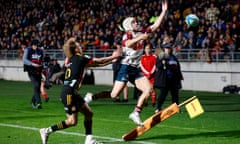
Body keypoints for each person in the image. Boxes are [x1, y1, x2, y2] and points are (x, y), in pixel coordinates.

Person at [84, 0, 168, 125]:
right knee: (114, 94)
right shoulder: (127, 35)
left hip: (135, 68)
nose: (137, 22)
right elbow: (128, 44)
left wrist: (163, 11)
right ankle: (92, 96)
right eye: (134, 22)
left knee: (148, 89)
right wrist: (140, 38)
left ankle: (136, 113)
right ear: (129, 25)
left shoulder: (141, 32)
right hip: (126, 67)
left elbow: (155, 25)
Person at [39, 37, 119, 144]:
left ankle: (89, 140)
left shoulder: (74, 59)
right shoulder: (80, 57)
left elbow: (98, 64)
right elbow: (100, 61)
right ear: (76, 49)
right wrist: (114, 56)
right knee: (72, 121)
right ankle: (46, 131)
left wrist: (112, 60)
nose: (81, 47)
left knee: (89, 113)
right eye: (78, 46)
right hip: (68, 93)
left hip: (72, 92)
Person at [154, 43, 184, 113]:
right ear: (164, 49)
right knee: (163, 94)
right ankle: (158, 108)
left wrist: (180, 75)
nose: (168, 50)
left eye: (169, 48)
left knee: (175, 95)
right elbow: (158, 66)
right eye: (166, 48)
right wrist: (163, 63)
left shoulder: (173, 57)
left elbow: (177, 67)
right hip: (165, 79)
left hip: (173, 79)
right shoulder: (161, 56)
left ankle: (176, 108)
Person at [23, 39, 44, 109]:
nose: (36, 46)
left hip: (38, 71)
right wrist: (32, 64)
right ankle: (38, 103)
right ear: (32, 45)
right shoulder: (28, 50)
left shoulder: (40, 51)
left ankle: (32, 102)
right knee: (36, 85)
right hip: (31, 71)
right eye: (35, 45)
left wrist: (43, 66)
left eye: (37, 45)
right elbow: (24, 60)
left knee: (40, 87)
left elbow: (42, 61)